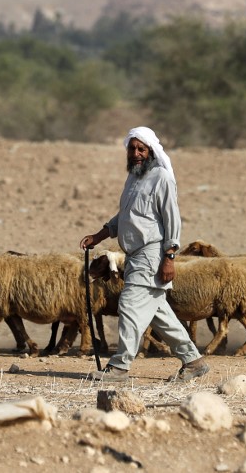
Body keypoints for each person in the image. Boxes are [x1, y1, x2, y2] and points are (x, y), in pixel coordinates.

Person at [80, 126, 209, 382]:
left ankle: (119, 367)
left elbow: (172, 219)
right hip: (134, 255)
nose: (136, 153)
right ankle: (194, 362)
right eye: (132, 148)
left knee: (128, 305)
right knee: (159, 314)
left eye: (142, 149)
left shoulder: (161, 177)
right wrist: (99, 235)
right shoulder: (133, 178)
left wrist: (170, 256)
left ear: (151, 151)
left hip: (152, 253)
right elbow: (126, 216)